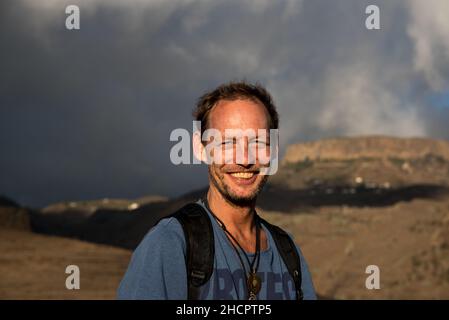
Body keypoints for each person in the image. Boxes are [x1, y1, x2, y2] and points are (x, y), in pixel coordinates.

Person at [117, 81, 316, 300]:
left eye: (258, 142)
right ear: (201, 149)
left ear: (274, 149)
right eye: (228, 143)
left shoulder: (287, 252)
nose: (244, 159)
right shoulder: (170, 244)